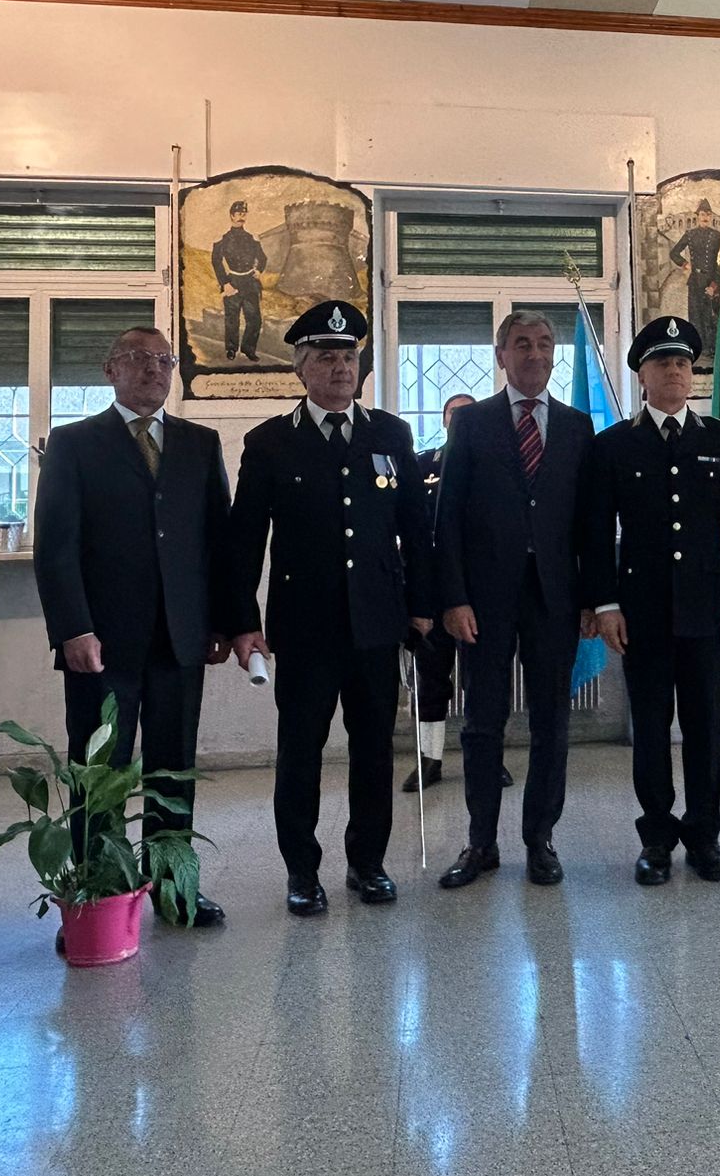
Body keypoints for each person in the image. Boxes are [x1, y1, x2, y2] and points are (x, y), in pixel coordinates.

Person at [223, 302, 434, 917]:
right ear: (301, 368)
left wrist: (422, 605)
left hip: (376, 624)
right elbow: (244, 540)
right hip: (305, 628)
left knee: (373, 750)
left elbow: (416, 529)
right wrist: (243, 622)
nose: (340, 368)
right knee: (300, 754)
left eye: (348, 356)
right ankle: (302, 871)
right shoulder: (269, 443)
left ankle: (368, 863)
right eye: (325, 357)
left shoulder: (390, 435)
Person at [32, 325, 230, 932]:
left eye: (164, 360)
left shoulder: (200, 444)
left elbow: (217, 542)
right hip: (101, 643)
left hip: (179, 638)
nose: (153, 370)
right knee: (100, 771)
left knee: (173, 768)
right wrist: (73, 628)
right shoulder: (73, 444)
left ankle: (174, 889)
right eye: (139, 359)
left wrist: (221, 622)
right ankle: (98, 894)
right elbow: (56, 547)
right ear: (109, 369)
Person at [582, 315, 720, 885]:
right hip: (643, 611)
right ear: (642, 374)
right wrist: (604, 604)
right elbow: (594, 531)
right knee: (652, 729)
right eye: (663, 362)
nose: (676, 370)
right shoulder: (614, 444)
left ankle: (705, 837)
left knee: (704, 727)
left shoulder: (719, 439)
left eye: (683, 362)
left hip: (706, 607)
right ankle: (656, 838)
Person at [433, 310, 595, 888]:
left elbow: (589, 523)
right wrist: (453, 597)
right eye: (522, 344)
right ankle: (481, 843)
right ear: (501, 356)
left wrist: (594, 599)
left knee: (552, 722)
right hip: (484, 600)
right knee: (482, 724)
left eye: (545, 343)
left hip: (555, 597)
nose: (535, 353)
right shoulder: (472, 422)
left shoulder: (577, 427)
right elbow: (447, 516)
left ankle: (540, 839)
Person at [403, 393, 514, 793]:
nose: (462, 419)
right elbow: (411, 526)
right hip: (432, 589)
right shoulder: (423, 464)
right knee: (431, 679)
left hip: (479, 589)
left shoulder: (494, 465)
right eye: (454, 413)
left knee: (483, 680)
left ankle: (488, 759)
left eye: (469, 412)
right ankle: (429, 759)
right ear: (444, 419)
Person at [211, 199, 268, 363]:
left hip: (250, 283)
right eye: (238, 213)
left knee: (254, 319)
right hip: (233, 282)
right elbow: (216, 261)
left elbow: (263, 258)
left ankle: (248, 349)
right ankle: (231, 349)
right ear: (231, 216)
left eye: (244, 214)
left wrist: (258, 270)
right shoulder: (223, 239)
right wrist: (225, 283)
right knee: (232, 319)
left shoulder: (252, 239)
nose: (241, 217)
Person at [667, 198, 720, 359]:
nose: (705, 217)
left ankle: (712, 348)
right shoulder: (690, 235)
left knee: (710, 316)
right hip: (695, 281)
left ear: (711, 216)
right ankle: (698, 347)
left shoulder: (717, 236)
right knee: (695, 315)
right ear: (697, 216)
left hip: (711, 280)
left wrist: (714, 285)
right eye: (702, 214)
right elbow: (674, 253)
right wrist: (685, 264)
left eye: (708, 214)